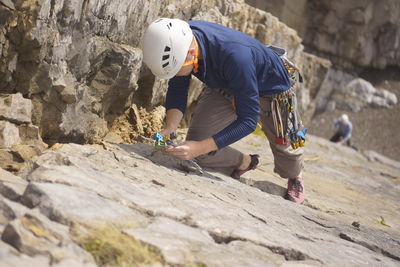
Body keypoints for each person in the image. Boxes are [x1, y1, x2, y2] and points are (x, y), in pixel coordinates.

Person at [142, 18, 306, 204]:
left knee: (286, 150)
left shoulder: (235, 56)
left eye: (177, 68)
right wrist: (171, 127)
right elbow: (178, 86)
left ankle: (296, 175)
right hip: (226, 82)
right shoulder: (180, 39)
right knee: (197, 151)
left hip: (271, 89)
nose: (175, 74)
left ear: (191, 53)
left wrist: (199, 147)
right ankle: (244, 162)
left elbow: (248, 121)